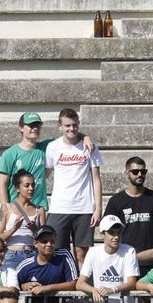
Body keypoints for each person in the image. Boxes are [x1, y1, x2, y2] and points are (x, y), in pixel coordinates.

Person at [0, 112, 93, 211]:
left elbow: (69, 135)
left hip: (39, 208)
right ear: (21, 128)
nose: (35, 128)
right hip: (16, 208)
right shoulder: (10, 153)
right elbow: (1, 185)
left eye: (37, 125)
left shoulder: (47, 147)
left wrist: (85, 137)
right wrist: (6, 209)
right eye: (31, 125)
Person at [45, 108, 103, 267]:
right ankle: (66, 287)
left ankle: (81, 288)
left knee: (81, 253)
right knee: (59, 252)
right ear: (60, 126)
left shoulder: (90, 146)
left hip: (84, 208)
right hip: (59, 207)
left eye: (74, 125)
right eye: (67, 126)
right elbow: (44, 174)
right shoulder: (52, 147)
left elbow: (96, 179)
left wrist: (98, 208)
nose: (71, 129)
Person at [103, 157, 153, 274]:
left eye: (143, 172)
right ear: (126, 174)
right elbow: (107, 232)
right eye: (135, 172)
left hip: (151, 262)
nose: (139, 174)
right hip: (124, 260)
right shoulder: (116, 201)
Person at [76, 215, 139, 303]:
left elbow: (132, 283)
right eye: (111, 233)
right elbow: (80, 283)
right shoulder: (93, 252)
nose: (116, 237)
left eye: (119, 233)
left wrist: (112, 290)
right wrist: (95, 291)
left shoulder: (129, 251)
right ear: (102, 234)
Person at [0, 170, 44, 271]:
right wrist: (14, 229)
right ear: (17, 188)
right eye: (27, 185)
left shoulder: (40, 210)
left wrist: (35, 230)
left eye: (33, 185)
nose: (31, 189)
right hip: (12, 255)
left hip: (32, 255)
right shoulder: (5, 208)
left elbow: (45, 239)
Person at [16, 224, 79, 297]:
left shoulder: (64, 255)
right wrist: (25, 286)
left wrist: (46, 288)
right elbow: (14, 286)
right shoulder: (26, 265)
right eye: (44, 241)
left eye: (52, 241)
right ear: (35, 244)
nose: (49, 244)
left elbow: (74, 283)